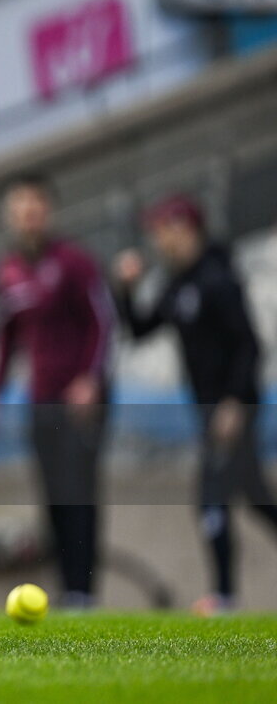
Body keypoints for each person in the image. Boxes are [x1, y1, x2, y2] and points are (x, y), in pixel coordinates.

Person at [113, 193, 277, 615]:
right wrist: (127, 291)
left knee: (210, 498)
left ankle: (223, 597)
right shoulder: (176, 284)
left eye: (163, 230)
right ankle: (224, 595)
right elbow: (140, 329)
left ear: (186, 229)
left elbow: (249, 347)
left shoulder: (217, 279)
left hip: (231, 408)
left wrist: (235, 404)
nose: (157, 240)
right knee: (256, 498)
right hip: (207, 408)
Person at [0, 175, 114, 607]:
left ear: (48, 211)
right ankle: (67, 588)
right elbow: (6, 336)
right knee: (53, 494)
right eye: (19, 206)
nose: (28, 214)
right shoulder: (8, 270)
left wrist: (89, 379)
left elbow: (102, 321)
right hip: (40, 398)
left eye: (35, 206)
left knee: (79, 492)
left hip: (81, 397)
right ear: (10, 216)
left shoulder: (74, 261)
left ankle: (84, 591)